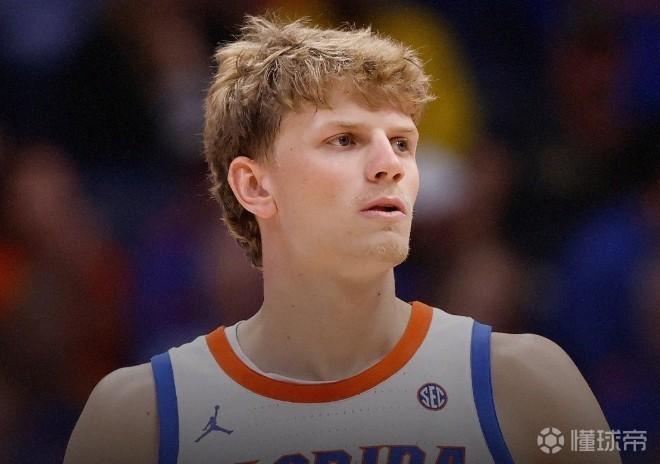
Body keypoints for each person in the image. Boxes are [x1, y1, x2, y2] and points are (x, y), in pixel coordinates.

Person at [64, 16, 621, 464]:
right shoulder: (139, 419)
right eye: (345, 139)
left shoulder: (526, 384)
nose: (389, 164)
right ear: (254, 185)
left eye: (402, 143)